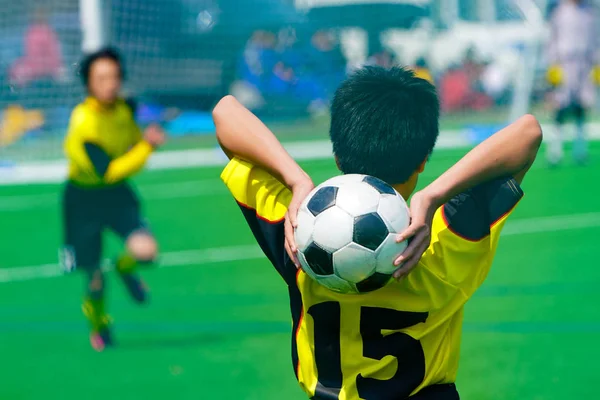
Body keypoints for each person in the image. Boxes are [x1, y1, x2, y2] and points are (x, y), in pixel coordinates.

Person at [214, 66, 542, 399]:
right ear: (422, 161)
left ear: (338, 156)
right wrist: (433, 196)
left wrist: (296, 179)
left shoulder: (299, 232)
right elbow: (528, 133)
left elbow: (225, 112)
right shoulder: (441, 241)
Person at [61, 48, 165, 351]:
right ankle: (100, 325)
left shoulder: (123, 109)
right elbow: (108, 171)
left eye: (115, 76)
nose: (110, 84)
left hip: (117, 196)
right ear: (88, 83)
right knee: (94, 279)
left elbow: (132, 145)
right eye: (101, 78)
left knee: (146, 252)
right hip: (83, 201)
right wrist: (147, 147)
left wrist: (143, 141)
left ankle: (124, 267)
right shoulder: (84, 123)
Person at [546, 0, 600, 165]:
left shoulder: (590, 12)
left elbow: (596, 39)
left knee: (581, 106)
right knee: (561, 106)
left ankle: (580, 148)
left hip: (585, 63)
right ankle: (555, 150)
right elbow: (551, 39)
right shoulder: (559, 12)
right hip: (564, 62)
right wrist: (552, 64)